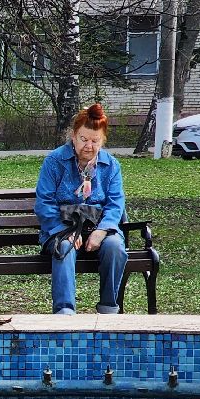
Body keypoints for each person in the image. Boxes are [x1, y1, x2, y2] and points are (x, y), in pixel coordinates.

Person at [34, 103, 128, 315]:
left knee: (114, 247)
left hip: (99, 227)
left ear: (103, 140)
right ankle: (65, 313)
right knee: (64, 247)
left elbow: (115, 203)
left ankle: (108, 310)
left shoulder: (111, 165)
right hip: (62, 227)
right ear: (74, 136)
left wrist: (102, 230)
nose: (89, 146)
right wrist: (62, 231)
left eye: (95, 141)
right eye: (84, 139)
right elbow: (44, 203)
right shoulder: (54, 161)